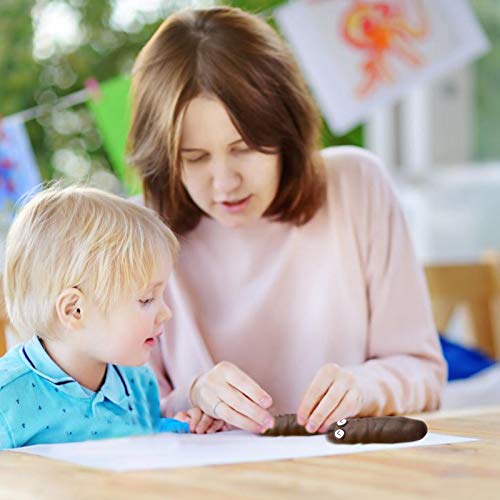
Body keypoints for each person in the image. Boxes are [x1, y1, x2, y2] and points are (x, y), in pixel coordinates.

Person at [128, 6, 447, 435]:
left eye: (244, 149)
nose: (225, 182)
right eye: (195, 158)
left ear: (285, 131)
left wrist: (364, 387)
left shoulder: (356, 185)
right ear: (166, 162)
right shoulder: (139, 231)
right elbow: (121, 409)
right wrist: (194, 394)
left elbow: (422, 368)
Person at [0, 185, 222, 449]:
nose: (166, 313)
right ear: (75, 310)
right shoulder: (8, 397)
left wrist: (183, 428)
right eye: (147, 299)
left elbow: (137, 442)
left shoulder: (138, 382)